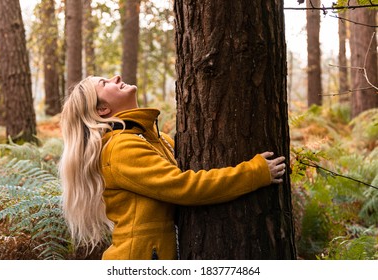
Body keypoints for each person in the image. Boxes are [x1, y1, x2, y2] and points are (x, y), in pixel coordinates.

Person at [59, 75, 286, 260]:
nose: (116, 77)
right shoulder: (120, 148)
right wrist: (254, 173)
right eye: (105, 83)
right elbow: (185, 186)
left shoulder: (155, 139)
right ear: (102, 110)